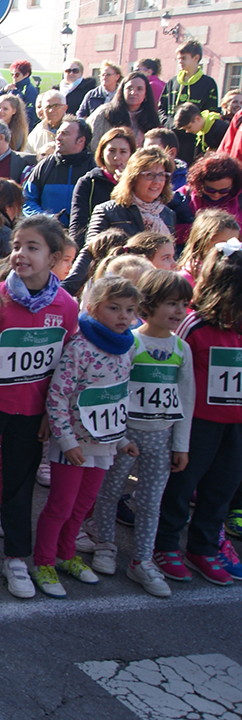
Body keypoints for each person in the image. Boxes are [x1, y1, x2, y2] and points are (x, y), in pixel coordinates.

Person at [78, 269, 193, 596]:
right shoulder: (130, 342)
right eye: (171, 303)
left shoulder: (181, 349)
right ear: (149, 304)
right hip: (125, 434)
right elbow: (115, 388)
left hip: (162, 436)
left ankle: (142, 559)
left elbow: (186, 398)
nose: (178, 312)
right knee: (110, 490)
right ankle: (104, 542)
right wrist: (118, 435)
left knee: (151, 500)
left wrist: (181, 444)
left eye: (184, 304)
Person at [0, 215, 79, 599]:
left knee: (19, 487)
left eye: (32, 247)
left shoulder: (67, 306)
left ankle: (15, 559)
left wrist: (48, 414)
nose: (20, 254)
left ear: (54, 256)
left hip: (31, 413)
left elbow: (65, 368)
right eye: (17, 245)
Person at [34, 276, 139, 598]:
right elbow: (58, 396)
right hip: (74, 446)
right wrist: (67, 442)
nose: (123, 316)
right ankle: (43, 562)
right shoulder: (79, 348)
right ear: (92, 308)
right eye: (114, 308)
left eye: (131, 310)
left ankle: (67, 556)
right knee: (61, 506)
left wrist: (121, 440)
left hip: (104, 446)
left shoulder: (127, 348)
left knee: (82, 507)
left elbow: (115, 399)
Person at [155, 242, 242, 584]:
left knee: (222, 488)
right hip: (196, 424)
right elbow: (173, 373)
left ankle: (204, 547)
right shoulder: (196, 325)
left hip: (236, 427)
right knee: (182, 486)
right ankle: (165, 545)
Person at [82, 147, 177, 242]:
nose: (157, 181)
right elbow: (90, 252)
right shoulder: (107, 212)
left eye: (162, 175)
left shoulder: (167, 215)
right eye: (149, 175)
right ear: (133, 178)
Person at [69, 127, 136, 249]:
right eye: (112, 151)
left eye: (123, 152)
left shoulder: (138, 183)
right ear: (102, 153)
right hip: (97, 246)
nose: (117, 157)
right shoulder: (89, 182)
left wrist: (126, 183)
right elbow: (78, 224)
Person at [23, 118, 95, 226]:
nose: (58, 137)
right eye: (58, 133)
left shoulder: (94, 169)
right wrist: (47, 219)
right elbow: (26, 200)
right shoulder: (45, 166)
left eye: (65, 134)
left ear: (81, 140)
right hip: (48, 234)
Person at [171, 152, 242, 244]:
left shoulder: (239, 199)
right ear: (199, 183)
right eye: (210, 190)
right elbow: (169, 232)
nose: (216, 195)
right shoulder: (183, 197)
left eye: (223, 191)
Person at [89, 72, 161, 145]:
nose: (133, 92)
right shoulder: (104, 113)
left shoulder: (151, 118)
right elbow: (92, 142)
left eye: (139, 89)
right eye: (129, 88)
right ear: (122, 91)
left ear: (146, 94)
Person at [159, 40, 219, 123]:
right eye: (178, 59)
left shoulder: (208, 83)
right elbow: (161, 108)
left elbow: (211, 112)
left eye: (183, 58)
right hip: (172, 132)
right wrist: (167, 122)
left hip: (195, 134)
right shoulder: (172, 82)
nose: (180, 61)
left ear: (196, 58)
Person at [27, 91, 67, 157]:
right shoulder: (37, 131)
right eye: (48, 107)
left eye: (56, 106)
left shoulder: (74, 128)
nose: (51, 110)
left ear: (65, 108)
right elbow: (28, 154)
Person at [7, 60, 39, 130]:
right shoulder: (11, 88)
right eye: (12, 74)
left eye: (17, 74)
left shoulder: (30, 90)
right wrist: (3, 91)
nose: (14, 77)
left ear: (26, 74)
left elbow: (30, 115)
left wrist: (25, 132)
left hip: (20, 129)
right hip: (8, 127)